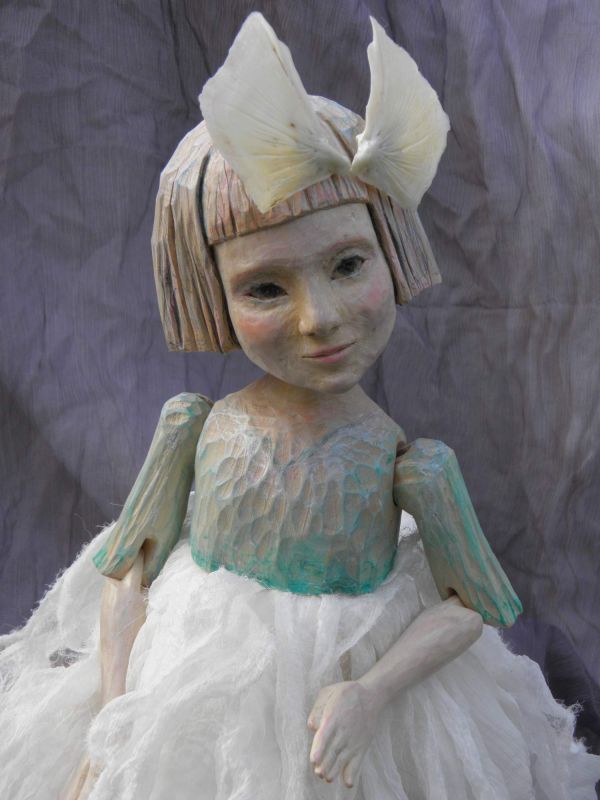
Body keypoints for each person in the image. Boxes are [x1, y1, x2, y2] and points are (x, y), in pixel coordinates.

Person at [1, 13, 599, 800]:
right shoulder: (191, 428)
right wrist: (113, 721)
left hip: (361, 698)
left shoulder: (414, 468)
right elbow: (129, 574)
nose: (318, 318)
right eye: (265, 288)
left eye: (347, 265)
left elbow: (474, 604)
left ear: (391, 251)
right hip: (197, 680)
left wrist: (371, 695)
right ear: (211, 294)